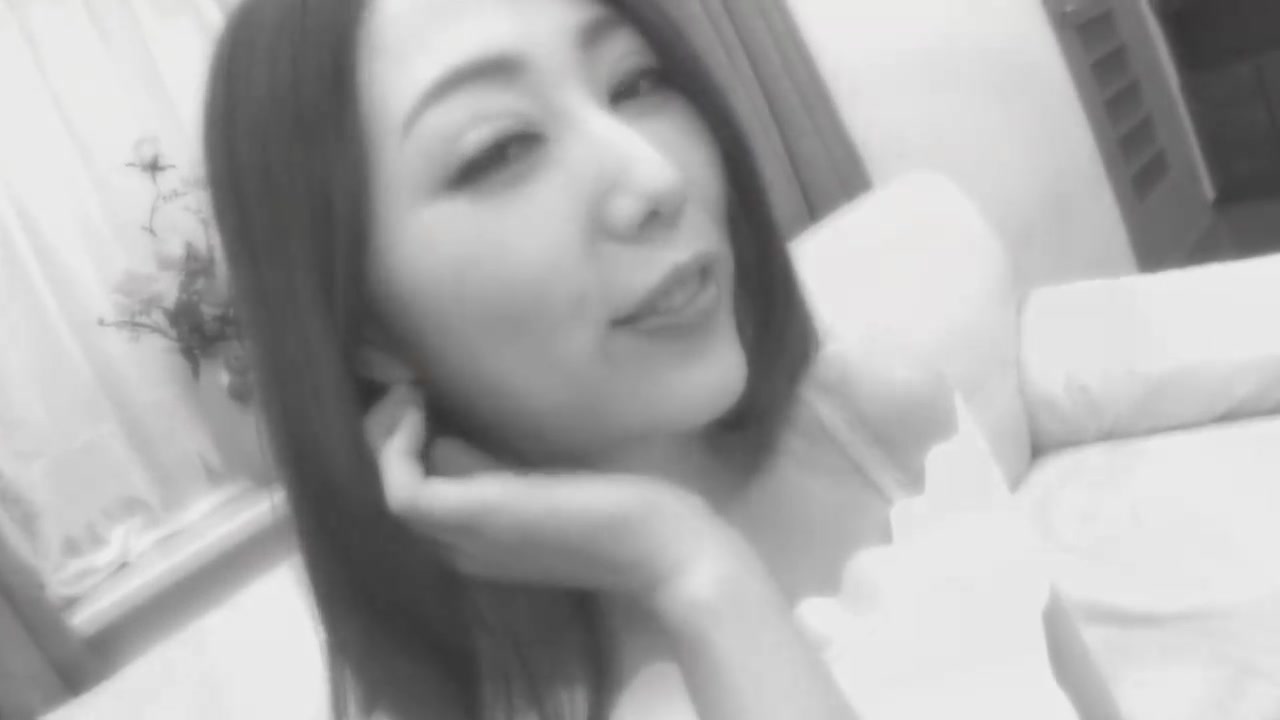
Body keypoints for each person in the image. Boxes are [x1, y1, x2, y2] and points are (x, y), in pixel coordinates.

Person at [202, 0, 1125, 719]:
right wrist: (694, 574)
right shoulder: (473, 689)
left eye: (637, 83)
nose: (656, 177)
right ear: (368, 325)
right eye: (501, 149)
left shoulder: (883, 416)